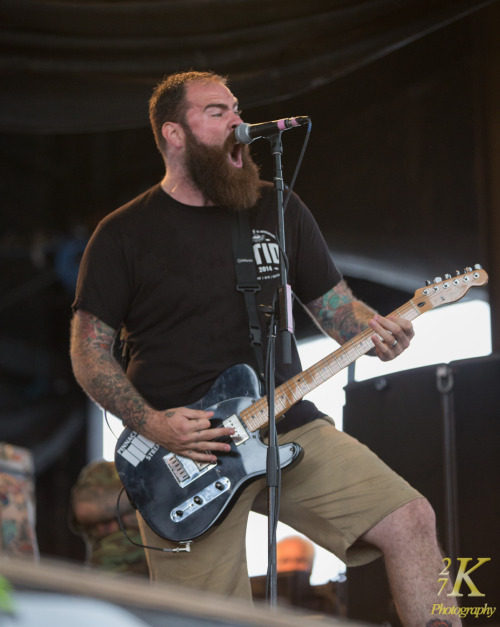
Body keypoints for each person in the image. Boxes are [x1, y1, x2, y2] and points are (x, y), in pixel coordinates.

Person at [69, 70, 460, 626]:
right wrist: (154, 425)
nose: (238, 120)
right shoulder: (124, 233)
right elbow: (89, 353)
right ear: (173, 134)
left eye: (237, 107)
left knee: (410, 518)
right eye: (216, 112)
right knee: (210, 617)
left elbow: (335, 307)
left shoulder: (276, 208)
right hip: (188, 450)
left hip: (288, 419)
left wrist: (379, 331)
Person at [70, 459, 148, 576]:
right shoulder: (105, 470)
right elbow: (85, 508)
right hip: (117, 570)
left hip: (172, 566)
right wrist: (148, 491)